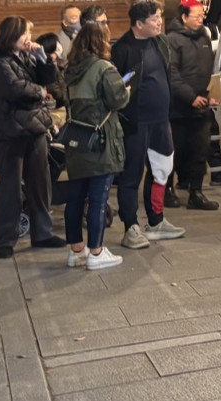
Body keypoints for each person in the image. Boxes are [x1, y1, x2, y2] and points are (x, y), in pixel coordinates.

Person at [0, 16, 66, 258]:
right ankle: (5, 240)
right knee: (9, 187)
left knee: (40, 183)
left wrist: (42, 57)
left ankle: (42, 232)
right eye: (24, 35)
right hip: (8, 131)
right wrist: (40, 92)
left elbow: (49, 79)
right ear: (10, 35)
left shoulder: (26, 56)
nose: (28, 39)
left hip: (34, 128)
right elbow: (14, 89)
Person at [109, 0, 187, 249]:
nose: (159, 22)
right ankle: (130, 226)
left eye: (160, 17)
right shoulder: (122, 48)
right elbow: (116, 87)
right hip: (135, 122)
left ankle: (156, 221)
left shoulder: (160, 42)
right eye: (155, 19)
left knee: (161, 170)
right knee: (131, 174)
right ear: (139, 23)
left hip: (161, 120)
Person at [62, 21, 130, 270]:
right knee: (99, 198)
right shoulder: (104, 68)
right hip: (100, 139)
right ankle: (96, 252)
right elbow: (117, 99)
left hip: (77, 138)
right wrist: (127, 89)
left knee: (76, 196)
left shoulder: (71, 69)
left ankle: (76, 250)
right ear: (101, 40)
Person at [167, 2, 219, 212]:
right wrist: (190, 97)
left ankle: (196, 193)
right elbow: (172, 73)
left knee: (200, 150)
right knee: (176, 150)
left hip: (202, 106)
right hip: (178, 108)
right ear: (184, 17)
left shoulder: (203, 37)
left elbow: (210, 70)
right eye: (196, 16)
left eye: (202, 16)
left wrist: (212, 95)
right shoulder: (172, 40)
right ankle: (168, 190)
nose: (200, 19)